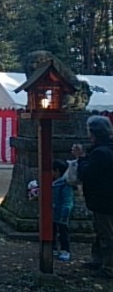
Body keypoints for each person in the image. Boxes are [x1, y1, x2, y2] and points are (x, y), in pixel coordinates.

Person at [72, 115, 113, 279]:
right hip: (105, 197)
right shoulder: (106, 149)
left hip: (104, 198)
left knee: (106, 234)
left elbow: (87, 174)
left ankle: (108, 267)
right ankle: (99, 260)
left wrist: (81, 158)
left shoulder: (100, 153)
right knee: (100, 231)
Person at [52, 159, 75, 262]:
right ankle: (53, 248)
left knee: (63, 233)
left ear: (57, 171)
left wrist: (65, 212)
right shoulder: (54, 183)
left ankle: (65, 250)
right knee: (52, 231)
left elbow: (67, 201)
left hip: (61, 212)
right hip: (53, 211)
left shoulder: (65, 184)